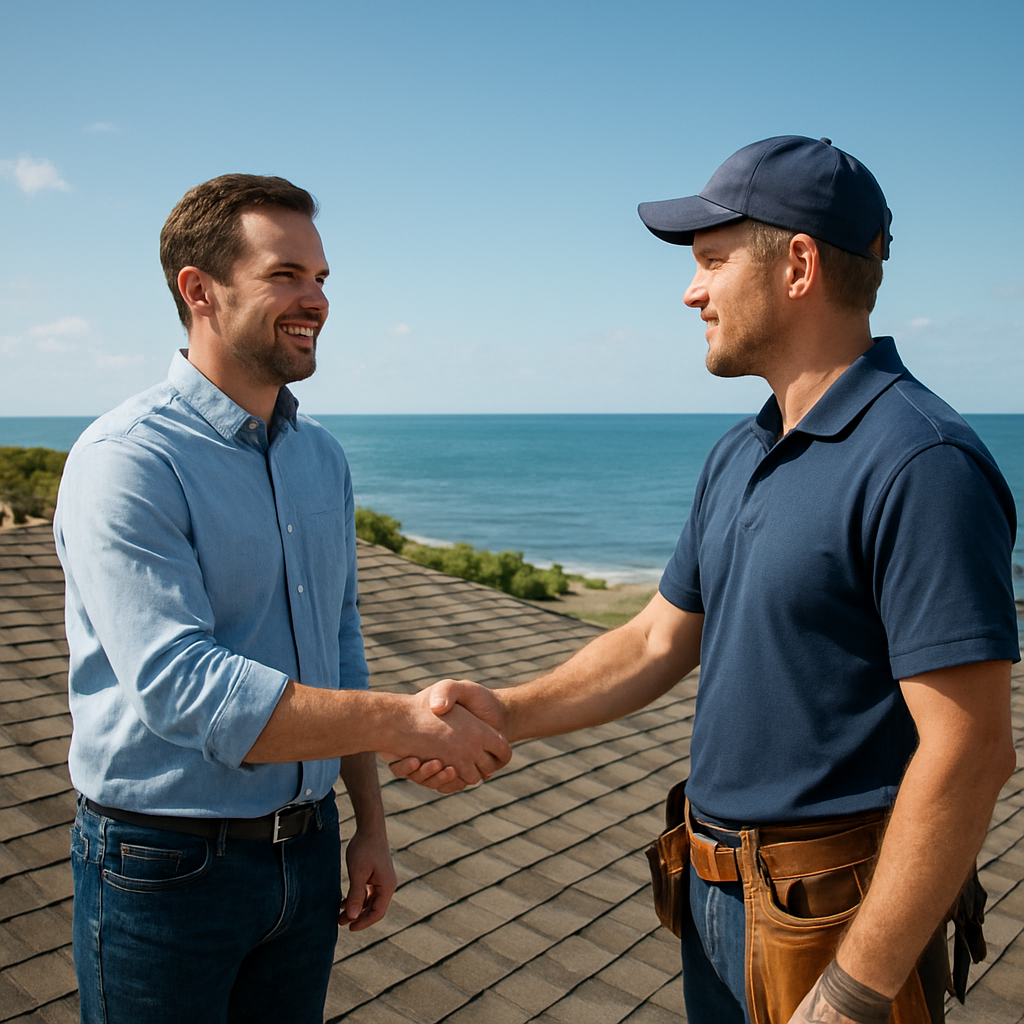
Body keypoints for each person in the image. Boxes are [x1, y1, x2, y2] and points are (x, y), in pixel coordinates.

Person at [391, 137, 1020, 1024]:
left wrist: (855, 989)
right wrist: (511, 710)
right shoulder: (740, 451)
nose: (692, 291)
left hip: (836, 925)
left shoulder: (923, 461)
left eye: (713, 263)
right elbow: (657, 639)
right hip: (713, 899)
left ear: (798, 265)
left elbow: (970, 752)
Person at [53, 174, 510, 1024]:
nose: (316, 301)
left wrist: (368, 822)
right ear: (200, 290)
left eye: (323, 279)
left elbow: (339, 641)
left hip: (306, 856)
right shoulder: (126, 461)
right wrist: (400, 720)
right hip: (161, 869)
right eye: (285, 275)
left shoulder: (321, 459)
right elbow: (179, 686)